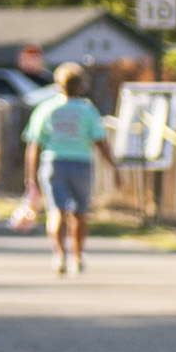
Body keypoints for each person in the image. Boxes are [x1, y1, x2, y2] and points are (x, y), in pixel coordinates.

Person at [24, 62, 115, 275]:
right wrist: (113, 166)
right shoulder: (87, 110)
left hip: (53, 163)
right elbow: (100, 141)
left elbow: (34, 144)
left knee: (56, 211)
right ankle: (77, 254)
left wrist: (30, 175)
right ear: (81, 85)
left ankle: (59, 255)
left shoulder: (47, 108)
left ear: (58, 84)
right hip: (81, 164)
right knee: (80, 213)